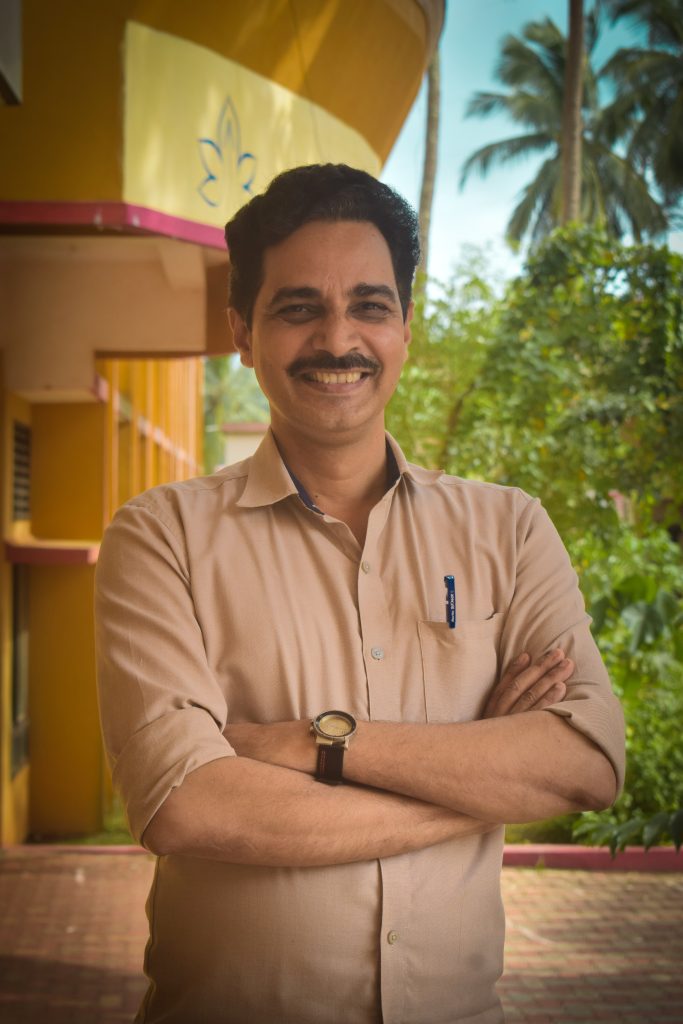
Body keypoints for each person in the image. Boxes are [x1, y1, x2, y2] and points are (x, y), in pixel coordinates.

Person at [95, 164, 625, 1024]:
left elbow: (586, 763)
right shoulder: (161, 537)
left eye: (370, 306)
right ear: (242, 332)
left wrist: (311, 746)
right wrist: (481, 782)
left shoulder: (508, 528)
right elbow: (185, 805)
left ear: (405, 328)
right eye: (298, 307)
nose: (337, 338)